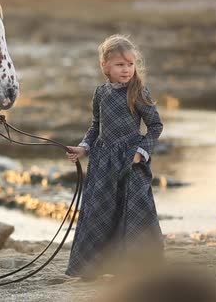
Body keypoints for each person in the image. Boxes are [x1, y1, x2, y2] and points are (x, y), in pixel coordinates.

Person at [65, 34, 164, 279]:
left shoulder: (138, 91)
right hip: (102, 164)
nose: (127, 69)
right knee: (99, 213)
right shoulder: (101, 93)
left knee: (134, 215)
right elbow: (95, 126)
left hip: (131, 164)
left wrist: (140, 154)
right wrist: (83, 148)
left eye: (131, 64)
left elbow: (155, 126)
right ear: (105, 66)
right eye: (120, 64)